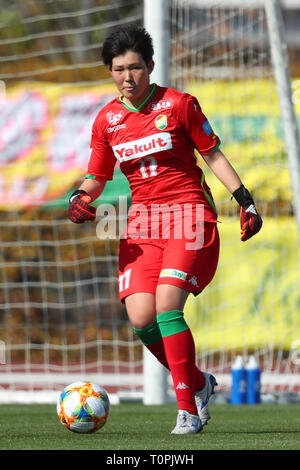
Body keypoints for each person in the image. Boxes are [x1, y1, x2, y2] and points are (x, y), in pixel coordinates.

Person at [67, 24, 262, 434]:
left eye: (135, 67)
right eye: (118, 69)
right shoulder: (107, 120)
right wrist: (79, 197)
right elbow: (96, 177)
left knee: (167, 307)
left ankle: (187, 409)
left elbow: (214, 156)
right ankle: (199, 383)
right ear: (110, 71)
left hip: (189, 215)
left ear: (150, 66)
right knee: (141, 319)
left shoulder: (179, 105)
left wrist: (245, 199)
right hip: (143, 223)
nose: (127, 77)